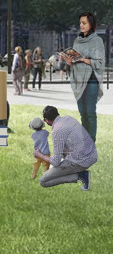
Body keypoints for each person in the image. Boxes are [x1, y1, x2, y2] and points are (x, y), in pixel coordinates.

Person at [61, 11, 105, 141]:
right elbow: (73, 63)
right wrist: (69, 61)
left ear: (91, 24)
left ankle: (91, 141)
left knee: (90, 114)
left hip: (91, 82)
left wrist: (83, 59)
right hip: (78, 81)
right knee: (82, 114)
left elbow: (100, 63)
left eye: (84, 23)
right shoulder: (77, 41)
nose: (81, 25)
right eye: (80, 22)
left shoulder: (97, 41)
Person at [35, 106, 96, 191]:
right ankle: (74, 172)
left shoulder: (57, 131)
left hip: (81, 161)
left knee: (43, 181)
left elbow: (55, 162)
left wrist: (39, 155)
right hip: (92, 154)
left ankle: (80, 175)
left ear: (47, 120)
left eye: (44, 120)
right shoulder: (68, 118)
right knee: (55, 163)